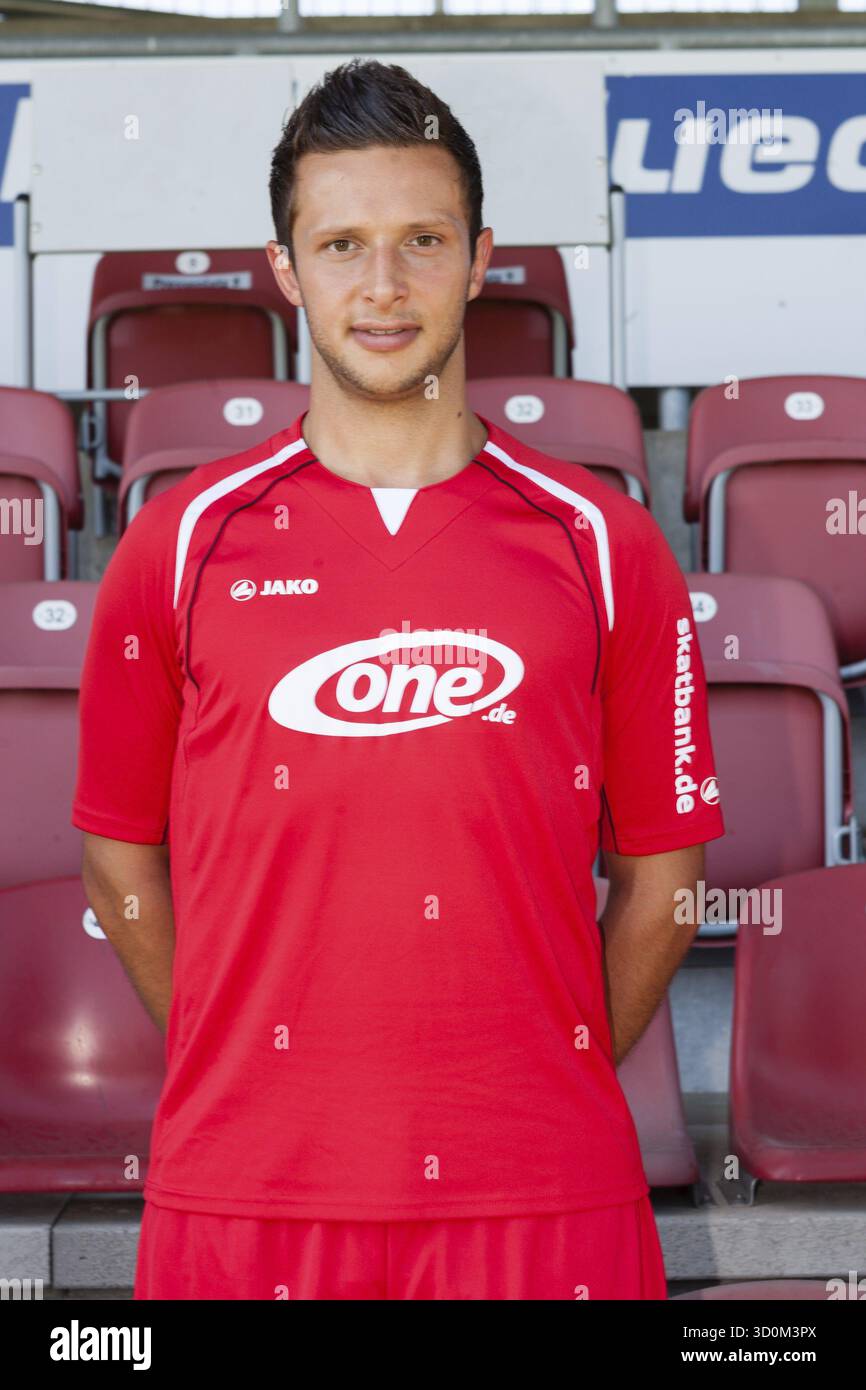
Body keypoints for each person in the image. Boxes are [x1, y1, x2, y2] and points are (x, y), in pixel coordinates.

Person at [72, 57, 724, 1301]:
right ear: (285, 270)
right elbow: (117, 856)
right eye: (341, 244)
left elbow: (663, 883)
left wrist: (543, 1061)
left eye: (421, 240)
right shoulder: (175, 545)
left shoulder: (603, 543)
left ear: (480, 258)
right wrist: (239, 1052)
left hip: (540, 1191)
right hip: (245, 1193)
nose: (382, 287)